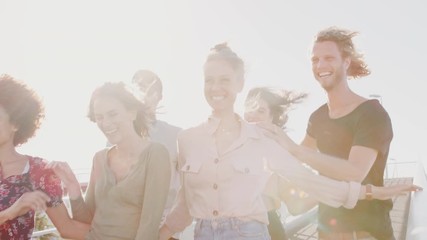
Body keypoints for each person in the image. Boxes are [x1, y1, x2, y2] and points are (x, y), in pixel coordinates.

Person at [158, 43, 420, 240]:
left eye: (225, 80)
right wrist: (162, 231)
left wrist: (371, 191)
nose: (216, 88)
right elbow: (185, 202)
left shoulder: (261, 139)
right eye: (209, 80)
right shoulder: (188, 139)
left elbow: (311, 182)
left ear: (240, 84)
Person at [261, 27, 399, 239]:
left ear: (346, 62)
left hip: (367, 229)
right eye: (315, 60)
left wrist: (297, 152)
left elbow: (355, 172)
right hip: (329, 228)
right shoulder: (318, 118)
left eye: (328, 58)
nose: (320, 65)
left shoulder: (372, 113)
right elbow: (292, 164)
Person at [47, 81, 171, 239]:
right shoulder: (99, 158)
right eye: (99, 117)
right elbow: (86, 220)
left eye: (113, 114)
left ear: (132, 113)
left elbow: (149, 226)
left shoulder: (156, 154)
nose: (105, 123)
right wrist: (73, 188)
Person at [0, 74, 90, 239]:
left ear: (16, 123)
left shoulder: (38, 171)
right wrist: (11, 211)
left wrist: (130, 232)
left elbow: (68, 229)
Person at [244, 87, 317, 240]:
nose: (252, 116)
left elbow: (295, 206)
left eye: (261, 111)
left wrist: (331, 192)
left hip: (268, 228)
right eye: (249, 109)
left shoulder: (278, 155)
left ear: (272, 119)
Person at [131, 69, 183, 240]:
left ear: (160, 96)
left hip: (165, 232)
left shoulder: (176, 136)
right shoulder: (117, 136)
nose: (145, 94)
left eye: (151, 90)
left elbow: (188, 190)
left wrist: (165, 232)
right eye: (140, 87)